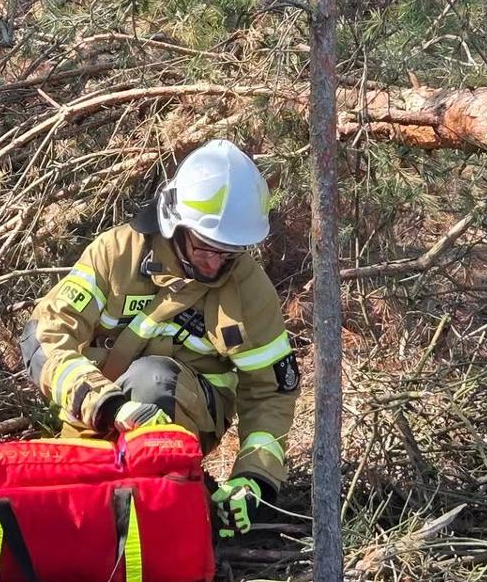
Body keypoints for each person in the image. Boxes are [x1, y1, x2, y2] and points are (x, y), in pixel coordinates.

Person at [21, 140, 300, 539]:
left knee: (154, 381)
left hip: (188, 408)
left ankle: (165, 513)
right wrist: (105, 403)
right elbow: (48, 334)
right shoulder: (118, 255)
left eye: (230, 252)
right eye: (205, 248)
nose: (215, 264)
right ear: (175, 223)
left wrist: (254, 479)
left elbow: (271, 393)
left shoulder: (249, 289)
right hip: (96, 409)